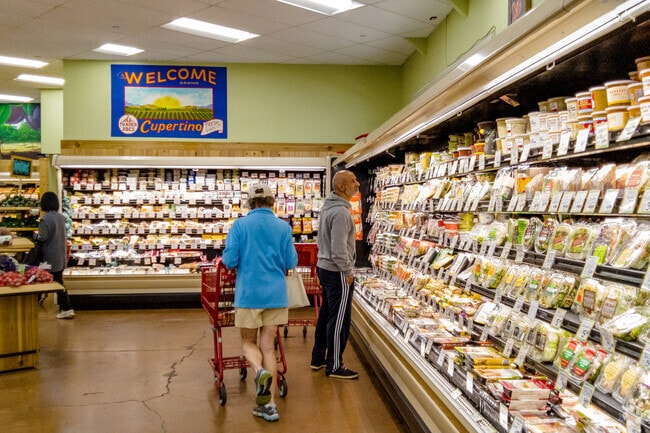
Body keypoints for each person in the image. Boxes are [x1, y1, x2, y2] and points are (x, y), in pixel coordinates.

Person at [222, 183, 298, 422]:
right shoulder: (283, 227)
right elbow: (290, 261)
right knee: (268, 347)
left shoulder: (240, 225)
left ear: (250, 203)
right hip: (276, 295)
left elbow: (230, 260)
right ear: (272, 202)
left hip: (249, 294)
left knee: (247, 341)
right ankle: (270, 405)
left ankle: (259, 371)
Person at [310, 170, 360, 379]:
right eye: (352, 181)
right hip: (337, 270)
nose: (357, 184)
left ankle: (318, 358)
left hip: (325, 267)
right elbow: (339, 248)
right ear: (341, 187)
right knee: (339, 319)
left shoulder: (329, 208)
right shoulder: (340, 213)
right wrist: (348, 271)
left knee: (326, 315)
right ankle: (335, 365)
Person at [37, 191, 75, 319]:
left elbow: (42, 238)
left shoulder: (45, 219)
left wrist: (34, 235)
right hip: (59, 255)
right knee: (58, 281)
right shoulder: (60, 217)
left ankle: (67, 307)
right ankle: (66, 307)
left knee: (39, 279)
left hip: (48, 257)